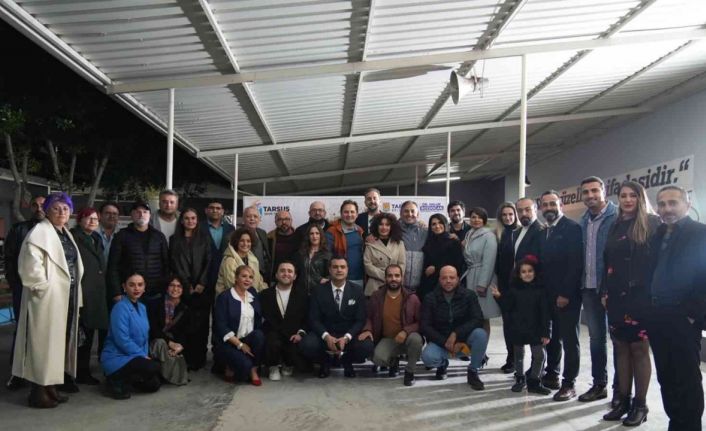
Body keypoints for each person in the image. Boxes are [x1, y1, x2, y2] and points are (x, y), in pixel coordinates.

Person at [12, 192, 83, 408]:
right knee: (42, 345)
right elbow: (31, 267)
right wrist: (43, 288)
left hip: (66, 297)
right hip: (46, 299)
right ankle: (37, 392)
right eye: (56, 208)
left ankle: (51, 386)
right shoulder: (38, 233)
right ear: (47, 211)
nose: (62, 212)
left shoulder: (65, 233)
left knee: (58, 344)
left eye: (66, 208)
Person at [645, 186, 706, 431]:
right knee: (666, 376)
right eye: (662, 204)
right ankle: (675, 423)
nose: (667, 209)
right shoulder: (658, 234)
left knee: (687, 379)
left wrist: (693, 314)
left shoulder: (700, 233)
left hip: (683, 318)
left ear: (687, 205)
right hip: (658, 316)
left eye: (673, 203)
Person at [601, 181, 660, 426]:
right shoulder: (615, 225)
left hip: (641, 298)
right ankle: (622, 401)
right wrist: (605, 290)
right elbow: (607, 261)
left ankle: (640, 405)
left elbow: (658, 263)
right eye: (623, 196)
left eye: (632, 196)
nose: (627, 200)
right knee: (620, 348)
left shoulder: (653, 223)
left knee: (639, 350)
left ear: (640, 198)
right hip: (616, 297)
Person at [538, 190, 584, 401]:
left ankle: (569, 383)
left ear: (560, 205)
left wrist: (565, 293)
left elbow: (575, 264)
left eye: (552, 204)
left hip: (567, 296)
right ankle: (552, 375)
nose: (549, 208)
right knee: (553, 337)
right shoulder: (545, 231)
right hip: (548, 295)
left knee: (569, 340)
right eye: (545, 204)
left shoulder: (572, 228)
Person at [578, 176, 618, 403]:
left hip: (613, 290)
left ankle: (621, 391)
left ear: (604, 190)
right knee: (596, 339)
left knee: (620, 342)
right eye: (586, 192)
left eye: (594, 190)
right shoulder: (583, 221)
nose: (590, 195)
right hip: (588, 288)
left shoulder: (617, 216)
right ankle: (599, 384)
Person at [299, 258, 373, 378]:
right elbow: (314, 319)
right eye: (335, 267)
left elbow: (360, 319)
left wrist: (346, 337)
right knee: (307, 344)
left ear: (347, 270)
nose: (339, 270)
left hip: (348, 334)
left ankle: (347, 361)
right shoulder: (318, 290)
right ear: (329, 270)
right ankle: (325, 361)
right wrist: (326, 336)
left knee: (366, 346)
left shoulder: (357, 291)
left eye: (342, 267)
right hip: (325, 333)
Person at [420, 265, 488, 390]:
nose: (448, 281)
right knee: (428, 357)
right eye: (444, 278)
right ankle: (442, 363)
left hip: (464, 341)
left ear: (457, 279)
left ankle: (473, 371)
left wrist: (456, 334)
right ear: (439, 280)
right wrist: (445, 342)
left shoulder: (469, 295)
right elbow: (425, 326)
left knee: (480, 334)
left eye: (451, 278)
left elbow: (477, 319)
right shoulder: (430, 298)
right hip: (442, 342)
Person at [492, 255, 551, 395]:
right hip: (518, 328)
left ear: (535, 272)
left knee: (539, 355)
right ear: (518, 274)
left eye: (530, 271)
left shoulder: (541, 290)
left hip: (536, 329)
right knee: (519, 355)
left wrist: (546, 332)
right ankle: (519, 379)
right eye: (523, 271)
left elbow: (545, 313)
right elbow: (507, 306)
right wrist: (498, 296)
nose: (527, 274)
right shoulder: (514, 289)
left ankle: (535, 381)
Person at [4, 194, 45, 391]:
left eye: (43, 205)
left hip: (48, 291)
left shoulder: (56, 230)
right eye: (35, 205)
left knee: (44, 331)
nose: (39, 208)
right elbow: (10, 259)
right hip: (24, 289)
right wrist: (16, 285)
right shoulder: (19, 229)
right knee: (23, 329)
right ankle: (18, 373)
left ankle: (43, 375)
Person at [359, 264, 422, 386]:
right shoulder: (376, 296)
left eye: (397, 276)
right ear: (385, 278)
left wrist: (406, 331)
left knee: (416, 339)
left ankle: (410, 372)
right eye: (390, 276)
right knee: (377, 358)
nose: (394, 279)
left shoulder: (412, 298)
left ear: (402, 278)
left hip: (407, 339)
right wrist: (367, 330)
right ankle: (394, 361)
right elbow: (368, 317)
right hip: (387, 339)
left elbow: (421, 322)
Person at [101, 274, 162, 399]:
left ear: (144, 287)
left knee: (154, 385)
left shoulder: (142, 307)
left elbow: (145, 337)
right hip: (117, 357)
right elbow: (122, 339)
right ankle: (114, 379)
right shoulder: (119, 307)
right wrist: (142, 356)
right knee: (152, 367)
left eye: (140, 285)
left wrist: (144, 356)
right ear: (124, 287)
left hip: (134, 356)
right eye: (132, 285)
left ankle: (128, 380)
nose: (136, 288)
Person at [70, 208, 110, 386]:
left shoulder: (96, 238)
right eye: (88, 218)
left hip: (97, 292)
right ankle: (77, 372)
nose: (93, 221)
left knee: (89, 333)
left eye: (95, 219)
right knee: (80, 336)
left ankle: (83, 370)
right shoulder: (74, 237)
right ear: (80, 220)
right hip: (82, 291)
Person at [169, 208, 212, 370]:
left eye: (193, 218)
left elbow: (209, 261)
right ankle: (185, 359)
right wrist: (186, 285)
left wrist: (201, 283)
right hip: (183, 289)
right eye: (187, 218)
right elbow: (174, 263)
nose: (190, 221)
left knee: (201, 326)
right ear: (181, 221)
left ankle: (199, 359)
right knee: (185, 324)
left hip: (202, 290)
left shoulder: (204, 238)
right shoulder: (174, 239)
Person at [213, 265, 265, 386]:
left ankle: (253, 369)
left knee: (259, 335)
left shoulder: (252, 294)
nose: (248, 280)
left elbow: (258, 320)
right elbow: (221, 326)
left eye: (250, 277)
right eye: (244, 276)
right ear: (236, 278)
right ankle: (230, 364)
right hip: (229, 342)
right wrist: (240, 345)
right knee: (244, 368)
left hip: (247, 339)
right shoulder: (224, 297)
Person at [107, 201, 169, 302]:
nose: (141, 215)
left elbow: (166, 264)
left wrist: (165, 289)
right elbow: (113, 266)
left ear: (150, 215)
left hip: (156, 294)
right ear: (131, 215)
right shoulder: (121, 236)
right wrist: (116, 292)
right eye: (137, 212)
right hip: (129, 295)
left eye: (145, 212)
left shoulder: (159, 237)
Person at [260, 261, 309, 380]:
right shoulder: (264, 295)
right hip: (273, 333)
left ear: (295, 276)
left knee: (298, 352)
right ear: (276, 275)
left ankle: (288, 364)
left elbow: (307, 318)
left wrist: (300, 333)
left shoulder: (303, 295)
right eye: (282, 271)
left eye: (290, 271)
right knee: (272, 340)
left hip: (294, 334)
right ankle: (273, 366)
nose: (286, 274)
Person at [463, 207, 500, 346]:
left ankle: (482, 351)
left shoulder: (489, 236)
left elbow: (489, 262)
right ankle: (474, 348)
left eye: (479, 217)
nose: (476, 220)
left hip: (483, 278)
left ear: (484, 220)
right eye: (473, 217)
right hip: (471, 276)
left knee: (483, 317)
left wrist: (483, 284)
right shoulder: (469, 234)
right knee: (474, 316)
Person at [147, 276, 192, 386]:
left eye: (179, 286)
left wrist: (180, 346)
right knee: (161, 343)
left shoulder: (185, 309)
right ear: (167, 287)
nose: (175, 289)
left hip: (174, 342)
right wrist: (169, 342)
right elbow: (153, 328)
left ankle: (165, 374)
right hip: (155, 340)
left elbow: (185, 332)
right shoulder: (156, 304)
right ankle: (169, 375)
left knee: (174, 352)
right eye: (172, 285)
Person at [494, 202, 520, 374]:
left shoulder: (521, 232)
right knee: (508, 324)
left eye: (510, 214)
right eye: (504, 215)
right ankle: (511, 358)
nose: (508, 217)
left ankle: (519, 360)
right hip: (503, 286)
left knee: (519, 324)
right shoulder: (497, 234)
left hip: (519, 285)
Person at [418, 213, 464, 300]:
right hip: (428, 284)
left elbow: (457, 264)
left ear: (445, 224)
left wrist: (436, 268)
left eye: (440, 223)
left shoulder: (453, 242)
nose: (437, 226)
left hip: (446, 284)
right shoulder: (428, 242)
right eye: (434, 224)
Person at [363, 213, 406, 296]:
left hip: (394, 285)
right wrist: (386, 276)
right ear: (376, 226)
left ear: (392, 227)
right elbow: (367, 265)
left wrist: (393, 277)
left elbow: (402, 264)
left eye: (387, 225)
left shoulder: (399, 243)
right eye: (381, 224)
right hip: (375, 286)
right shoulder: (370, 243)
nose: (384, 227)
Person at [216, 227, 267, 295]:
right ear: (236, 242)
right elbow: (232, 285)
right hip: (230, 298)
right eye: (242, 241)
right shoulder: (229, 260)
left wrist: (267, 292)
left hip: (250, 296)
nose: (245, 244)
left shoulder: (253, 259)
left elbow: (259, 282)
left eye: (248, 241)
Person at [326, 200, 365, 285]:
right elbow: (327, 256)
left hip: (360, 278)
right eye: (346, 212)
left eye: (352, 212)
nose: (349, 215)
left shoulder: (360, 230)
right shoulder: (332, 231)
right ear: (341, 214)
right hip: (340, 279)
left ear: (357, 214)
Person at [203, 200, 235, 300]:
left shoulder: (231, 229)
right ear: (206, 210)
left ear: (222, 211)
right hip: (204, 274)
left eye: (218, 208)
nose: (215, 210)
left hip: (224, 273)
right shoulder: (199, 227)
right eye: (212, 208)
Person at [294, 223, 332, 295]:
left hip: (318, 292)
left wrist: (324, 280)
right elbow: (296, 272)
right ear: (308, 236)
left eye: (317, 233)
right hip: (301, 292)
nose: (314, 236)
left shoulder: (327, 254)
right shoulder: (301, 253)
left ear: (321, 235)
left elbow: (332, 273)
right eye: (311, 234)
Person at [399, 201, 427, 292]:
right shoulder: (394, 230)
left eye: (412, 211)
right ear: (401, 214)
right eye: (406, 211)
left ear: (417, 214)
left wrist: (452, 236)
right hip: (399, 286)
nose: (409, 214)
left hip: (420, 287)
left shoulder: (426, 231)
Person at [243, 206, 272, 282]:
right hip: (247, 276)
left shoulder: (262, 233)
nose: (252, 219)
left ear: (259, 219)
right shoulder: (234, 236)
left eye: (255, 216)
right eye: (248, 216)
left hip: (264, 276)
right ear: (243, 219)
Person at [267, 210, 298, 278]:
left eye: (287, 219)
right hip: (275, 277)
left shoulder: (300, 236)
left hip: (297, 278)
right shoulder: (268, 237)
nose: (284, 222)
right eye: (280, 219)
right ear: (275, 222)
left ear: (291, 221)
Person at [514, 197, 543, 262]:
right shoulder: (517, 231)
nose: (523, 214)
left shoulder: (541, 231)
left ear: (535, 210)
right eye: (520, 211)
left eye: (527, 210)